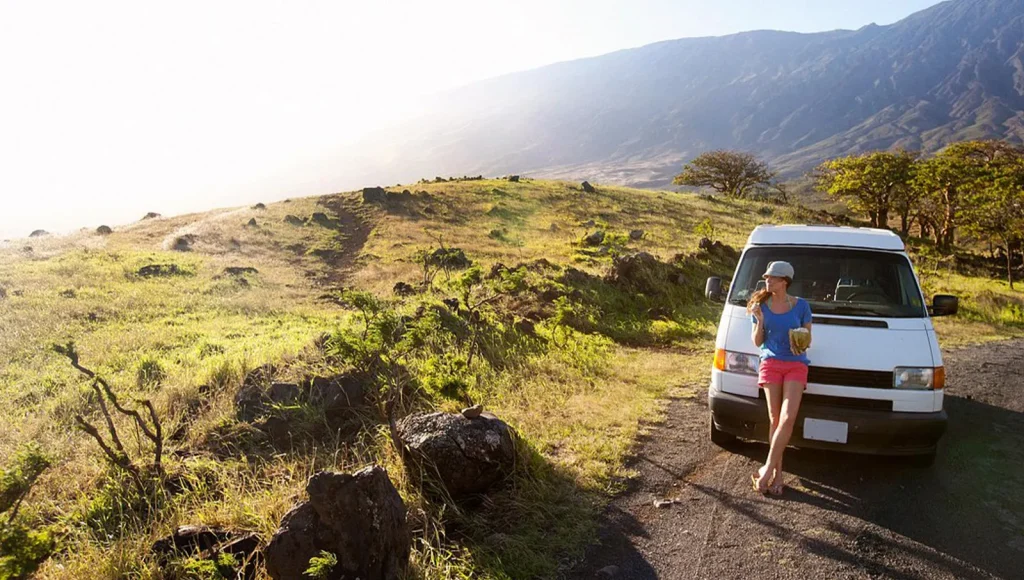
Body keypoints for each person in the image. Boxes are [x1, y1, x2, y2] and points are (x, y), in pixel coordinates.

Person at [747, 261, 812, 495]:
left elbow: (808, 338)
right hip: (771, 364)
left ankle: (766, 470)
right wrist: (760, 321)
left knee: (787, 419)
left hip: (796, 364)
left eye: (772, 278)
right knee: (774, 420)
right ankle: (778, 475)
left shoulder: (801, 306)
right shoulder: (760, 306)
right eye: (767, 277)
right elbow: (757, 342)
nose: (768, 280)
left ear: (784, 281)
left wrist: (799, 341)